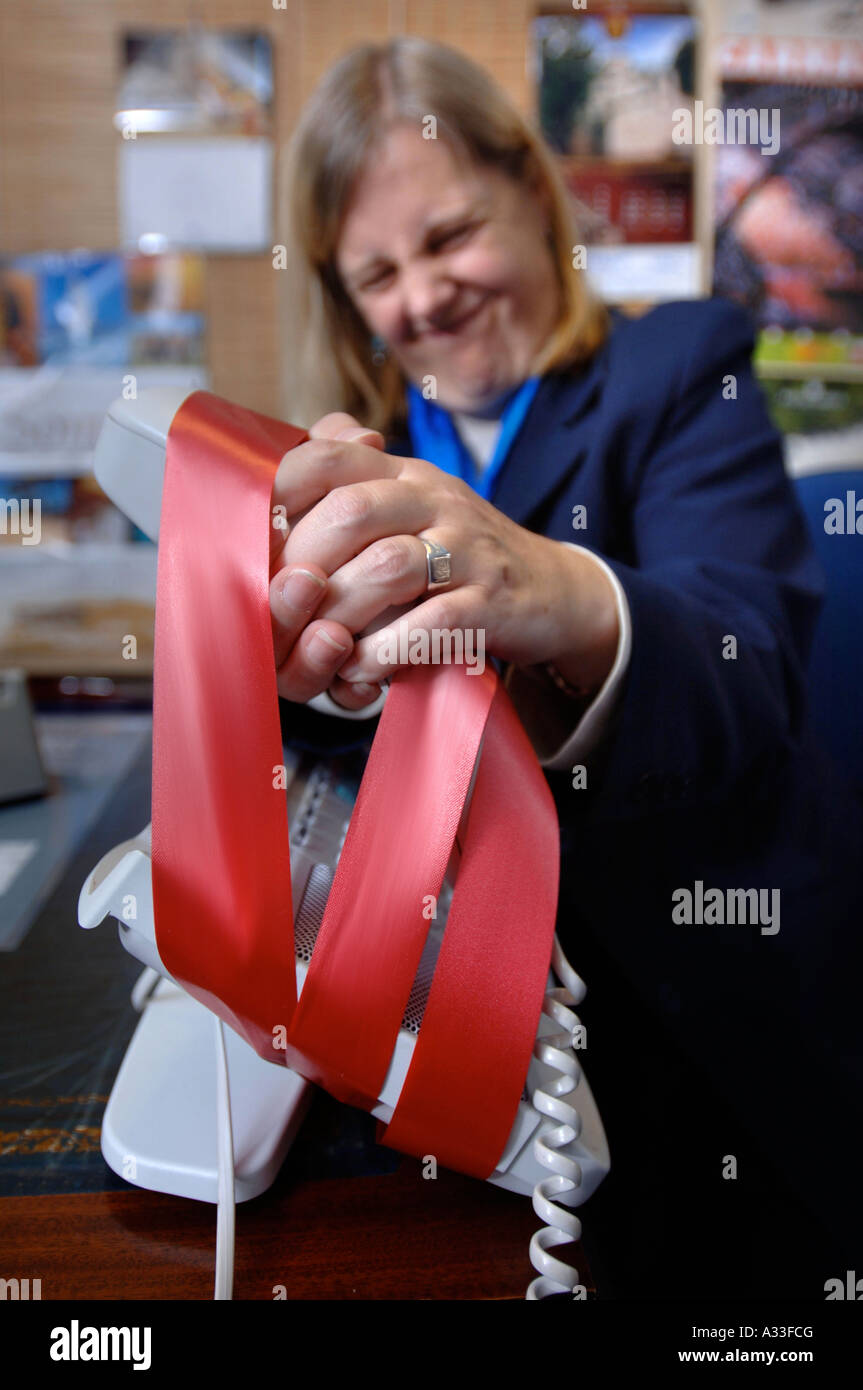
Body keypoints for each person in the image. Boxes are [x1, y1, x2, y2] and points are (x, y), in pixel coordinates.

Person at [267, 37, 863, 1299]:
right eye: (376, 272)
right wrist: (299, 668)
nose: (421, 297)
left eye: (448, 237)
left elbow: (744, 666)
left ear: (535, 199)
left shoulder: (677, 370)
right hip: (466, 1037)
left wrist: (551, 588)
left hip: (706, 1010)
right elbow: (343, 745)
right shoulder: (358, 455)